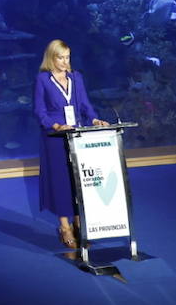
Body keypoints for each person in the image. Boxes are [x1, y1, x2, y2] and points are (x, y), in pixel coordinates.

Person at [33, 38, 108, 248]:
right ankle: (64, 226)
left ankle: (79, 222)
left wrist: (94, 119)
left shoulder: (76, 77)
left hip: (77, 134)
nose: (65, 62)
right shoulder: (43, 80)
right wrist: (55, 126)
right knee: (61, 181)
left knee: (79, 180)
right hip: (55, 138)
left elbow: (85, 104)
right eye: (61, 58)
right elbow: (39, 111)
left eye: (68, 57)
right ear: (51, 58)